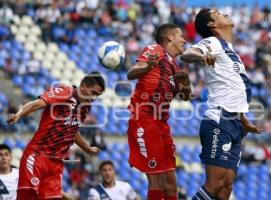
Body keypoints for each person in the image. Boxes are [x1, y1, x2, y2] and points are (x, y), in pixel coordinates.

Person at [181, 9, 263, 200]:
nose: (223, 13)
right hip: (220, 119)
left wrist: (244, 120)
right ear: (211, 24)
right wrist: (202, 57)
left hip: (235, 123)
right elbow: (187, 54)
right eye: (217, 13)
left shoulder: (230, 50)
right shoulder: (213, 42)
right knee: (215, 183)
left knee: (226, 187)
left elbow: (234, 91)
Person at [7, 72, 105, 200]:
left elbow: (72, 130)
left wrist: (87, 149)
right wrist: (18, 115)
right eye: (93, 92)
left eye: (97, 95)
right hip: (37, 155)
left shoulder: (85, 107)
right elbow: (36, 104)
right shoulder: (64, 93)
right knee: (27, 196)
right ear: (83, 86)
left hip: (57, 162)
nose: (94, 97)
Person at [127, 23, 191, 200]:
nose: (184, 40)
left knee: (171, 182)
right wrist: (147, 67)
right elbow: (131, 73)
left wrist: (186, 85)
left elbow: (185, 96)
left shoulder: (175, 67)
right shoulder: (155, 50)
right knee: (155, 180)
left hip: (162, 123)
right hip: (144, 118)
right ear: (169, 37)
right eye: (180, 36)